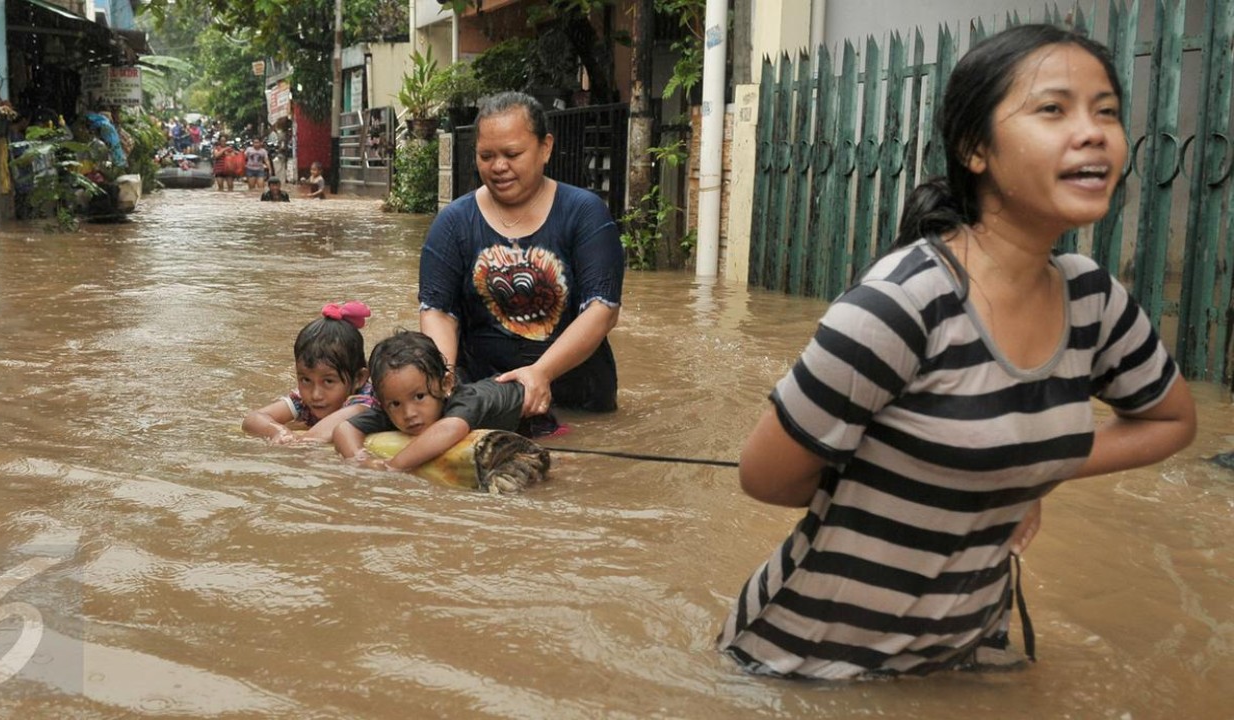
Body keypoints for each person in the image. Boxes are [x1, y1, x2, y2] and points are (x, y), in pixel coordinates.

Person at [716, 24, 1196, 681]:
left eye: (1106, 110)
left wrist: (1020, 468)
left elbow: (1171, 422)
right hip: (808, 665)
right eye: (1053, 109)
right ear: (975, 148)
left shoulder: (1096, 300)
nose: (1092, 132)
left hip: (965, 658)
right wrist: (931, 474)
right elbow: (766, 477)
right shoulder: (900, 306)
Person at [418, 91, 624, 436]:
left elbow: (603, 310)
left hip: (576, 403)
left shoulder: (585, 214)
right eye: (487, 156)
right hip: (482, 400)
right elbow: (438, 311)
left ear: (545, 147)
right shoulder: (453, 223)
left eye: (512, 154)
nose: (499, 167)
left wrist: (541, 372)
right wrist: (445, 377)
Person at [333, 330, 524, 472]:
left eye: (419, 397)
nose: (409, 413)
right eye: (395, 404)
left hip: (531, 409)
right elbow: (344, 430)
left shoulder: (467, 400)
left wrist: (392, 466)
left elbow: (451, 429)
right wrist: (361, 460)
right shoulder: (394, 407)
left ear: (446, 384)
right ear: (382, 403)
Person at [242, 302, 375, 444]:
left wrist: (296, 440)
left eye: (328, 381)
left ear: (359, 379)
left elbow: (315, 438)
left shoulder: (365, 402)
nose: (315, 395)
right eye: (306, 380)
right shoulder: (302, 400)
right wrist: (279, 431)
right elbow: (252, 419)